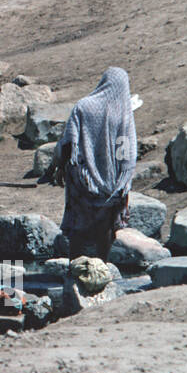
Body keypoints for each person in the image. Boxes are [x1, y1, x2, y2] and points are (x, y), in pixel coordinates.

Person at [52, 67, 137, 260]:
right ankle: (102, 267)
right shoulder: (123, 114)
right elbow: (126, 150)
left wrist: (58, 167)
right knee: (106, 227)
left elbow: (69, 142)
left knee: (78, 224)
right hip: (112, 184)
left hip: (83, 178)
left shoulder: (83, 106)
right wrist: (121, 180)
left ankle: (74, 268)